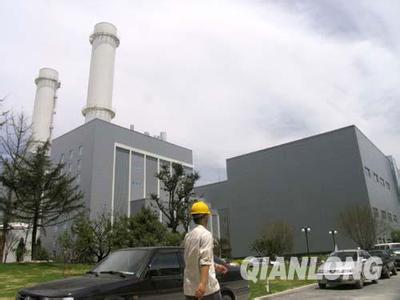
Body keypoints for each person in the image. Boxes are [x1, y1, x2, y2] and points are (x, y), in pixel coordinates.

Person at [183, 201, 228, 300]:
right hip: (207, 291)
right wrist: (203, 284)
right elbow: (205, 261)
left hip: (190, 289)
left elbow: (192, 259)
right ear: (206, 216)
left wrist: (215, 266)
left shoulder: (188, 236)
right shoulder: (205, 234)